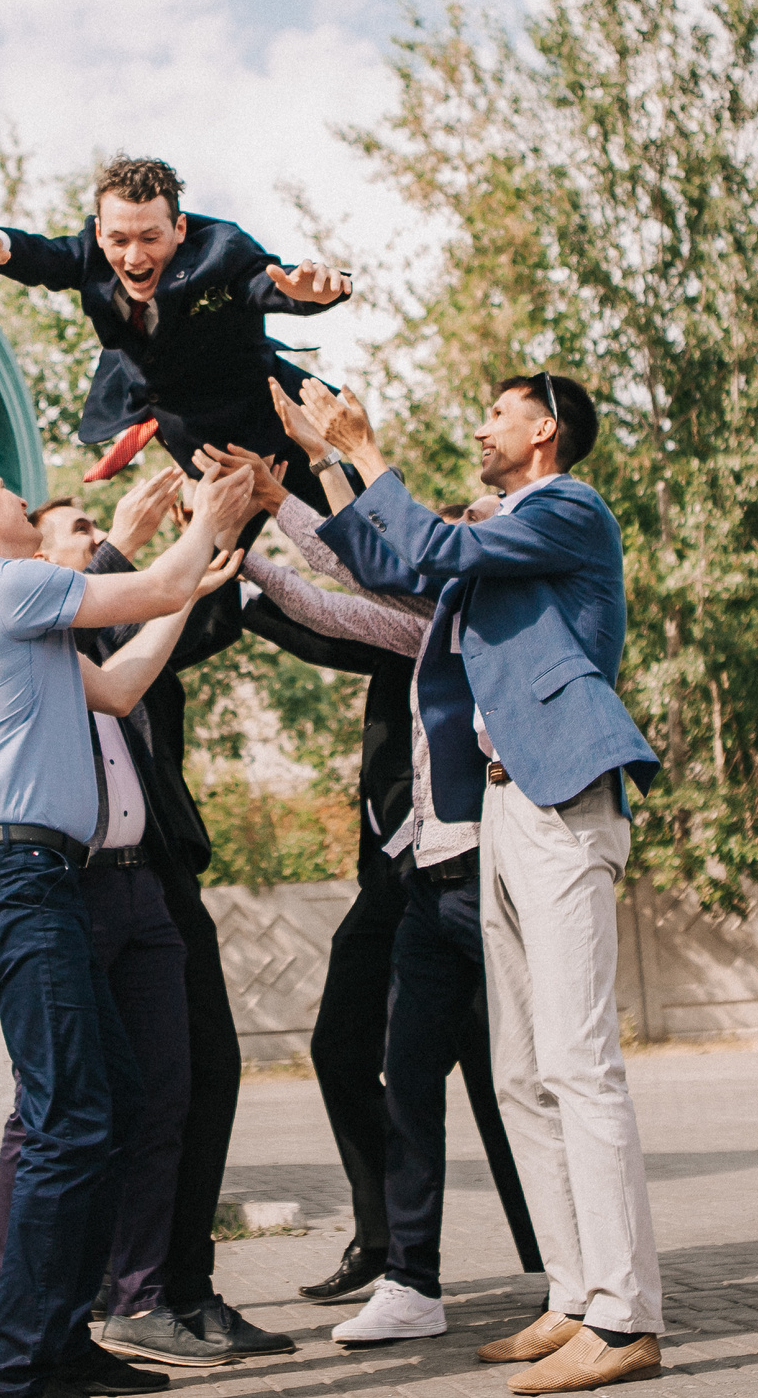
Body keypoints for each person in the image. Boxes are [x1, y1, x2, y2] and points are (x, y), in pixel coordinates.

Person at [301, 374, 667, 1394]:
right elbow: (384, 558)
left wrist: (368, 447)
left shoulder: (565, 510)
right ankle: (574, 1297)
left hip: (561, 798)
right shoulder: (496, 539)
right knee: (517, 1072)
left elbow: (435, 545)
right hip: (499, 806)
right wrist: (325, 459)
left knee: (580, 1062)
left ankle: (629, 1316)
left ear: (543, 431)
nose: (479, 427)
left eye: (497, 414)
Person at [0, 456, 256, 1398]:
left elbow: (121, 684)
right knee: (70, 1121)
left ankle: (59, 1343)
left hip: (32, 876)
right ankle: (18, 1371)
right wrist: (210, 526)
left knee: (104, 1106)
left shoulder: (10, 612)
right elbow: (148, 580)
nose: (28, 498)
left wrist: (189, 586)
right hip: (12, 875)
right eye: (9, 490)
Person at [194, 434, 543, 1347]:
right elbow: (332, 591)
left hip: (493, 872)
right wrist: (261, 530)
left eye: (465, 526)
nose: (452, 530)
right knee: (406, 1074)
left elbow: (367, 561)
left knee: (528, 1076)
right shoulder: (419, 620)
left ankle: (566, 1262)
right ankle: (409, 1273)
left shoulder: (489, 614)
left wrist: (313, 480)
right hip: (420, 880)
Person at [0, 471, 295, 1369]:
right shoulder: (16, 618)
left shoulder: (98, 630)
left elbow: (158, 631)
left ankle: (155, 1292)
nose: (94, 537)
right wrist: (125, 539)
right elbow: (115, 609)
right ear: (39, 559)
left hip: (148, 881)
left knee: (173, 1089)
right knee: (59, 1112)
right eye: (75, 530)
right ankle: (51, 1324)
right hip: (62, 886)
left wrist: (223, 528)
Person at [0, 155, 351, 514]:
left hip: (266, 414)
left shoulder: (220, 251)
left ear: (179, 228)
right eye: (119, 240)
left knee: (354, 518)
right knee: (216, 565)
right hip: (196, 439)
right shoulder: (92, 254)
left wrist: (305, 293)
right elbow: (48, 258)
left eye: (151, 239)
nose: (134, 258)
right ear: (101, 232)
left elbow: (261, 283)